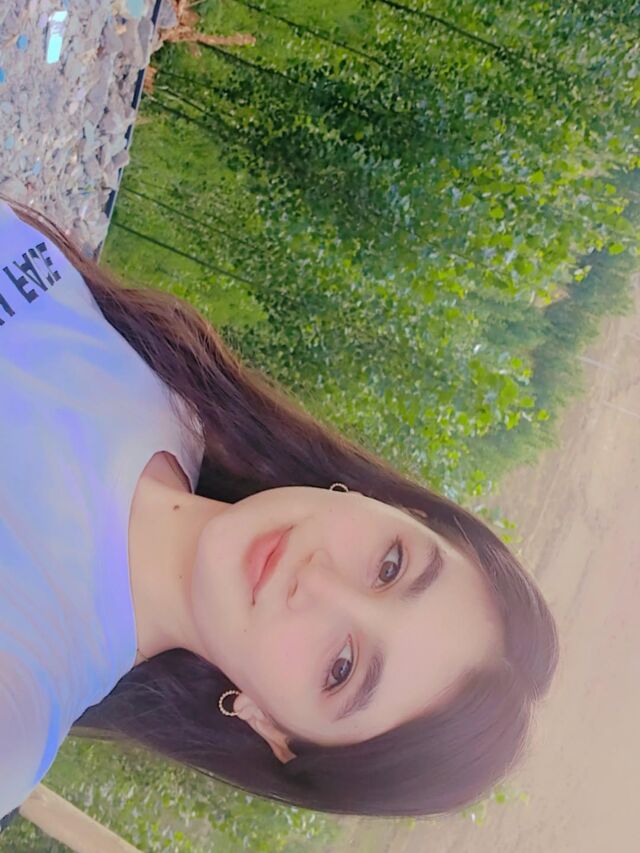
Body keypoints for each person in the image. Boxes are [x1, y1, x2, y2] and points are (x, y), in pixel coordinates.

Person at [0, 192, 559, 822]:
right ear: (391, 508)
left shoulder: (23, 692)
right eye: (390, 566)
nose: (316, 581)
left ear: (270, 726)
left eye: (341, 669)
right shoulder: (164, 384)